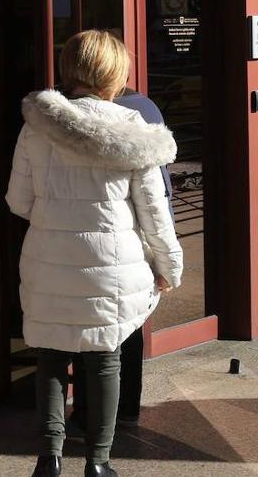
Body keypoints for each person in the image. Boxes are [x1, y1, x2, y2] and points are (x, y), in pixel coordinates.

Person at [6, 30, 183, 477]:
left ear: (70, 68)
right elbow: (154, 216)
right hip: (112, 269)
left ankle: (49, 458)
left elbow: (18, 201)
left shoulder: (37, 126)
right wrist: (169, 267)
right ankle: (98, 462)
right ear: (115, 73)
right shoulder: (134, 133)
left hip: (47, 260)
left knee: (49, 355)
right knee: (105, 359)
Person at [69, 87, 175, 437]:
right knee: (127, 327)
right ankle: (124, 410)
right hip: (131, 243)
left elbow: (22, 199)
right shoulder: (143, 107)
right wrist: (167, 263)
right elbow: (159, 196)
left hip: (77, 243)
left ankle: (87, 414)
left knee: (86, 333)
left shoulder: (59, 116)